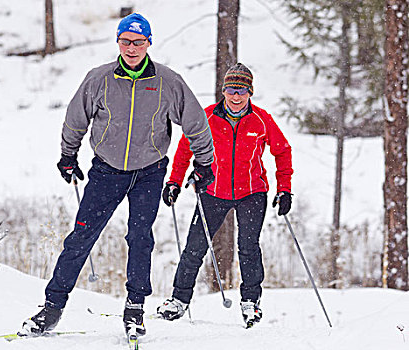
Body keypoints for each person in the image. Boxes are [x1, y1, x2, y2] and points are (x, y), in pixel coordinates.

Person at [20, 13, 215, 338]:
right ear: (118, 42)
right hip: (106, 172)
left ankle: (135, 310)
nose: (132, 48)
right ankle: (51, 310)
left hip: (149, 172)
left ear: (149, 43)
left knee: (140, 238)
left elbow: (195, 123)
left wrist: (205, 162)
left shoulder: (167, 81)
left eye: (139, 42)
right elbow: (75, 119)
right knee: (80, 239)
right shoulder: (100, 79)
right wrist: (68, 155)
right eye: (126, 41)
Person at [156, 63, 293, 328]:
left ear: (250, 92)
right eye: (231, 90)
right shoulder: (206, 116)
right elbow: (185, 149)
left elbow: (282, 150)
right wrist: (174, 181)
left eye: (241, 90)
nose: (236, 96)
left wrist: (285, 188)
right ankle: (178, 300)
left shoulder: (261, 120)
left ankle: (251, 303)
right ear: (224, 90)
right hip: (213, 191)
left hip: (252, 192)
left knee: (248, 247)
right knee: (195, 247)